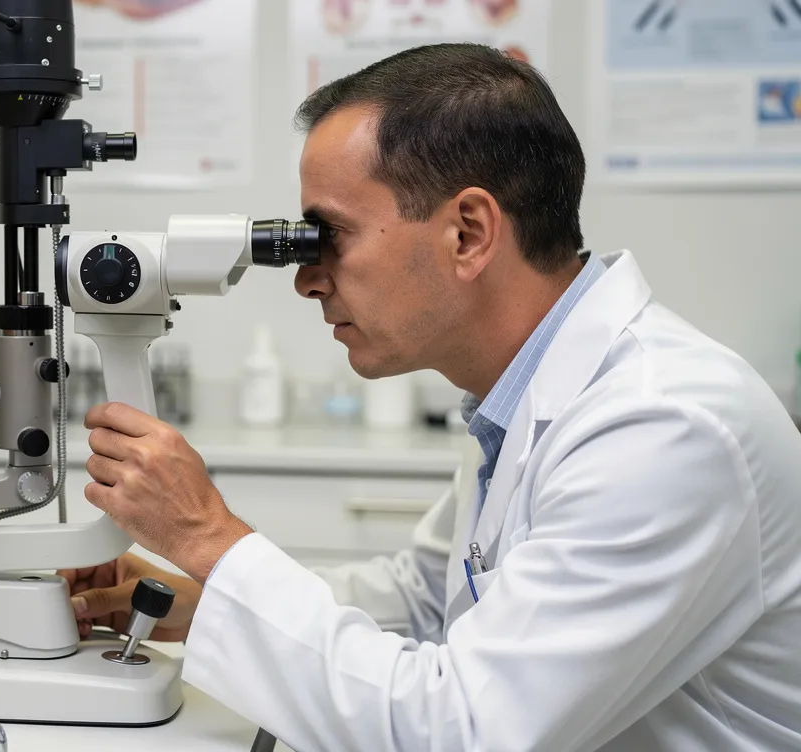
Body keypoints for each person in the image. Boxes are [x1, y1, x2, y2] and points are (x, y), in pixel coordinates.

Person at [62, 44, 801, 750]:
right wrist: (203, 599)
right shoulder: (524, 395)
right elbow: (421, 603)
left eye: (332, 238)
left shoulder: (662, 430)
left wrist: (208, 539)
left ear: (469, 233)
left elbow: (459, 733)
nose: (307, 278)